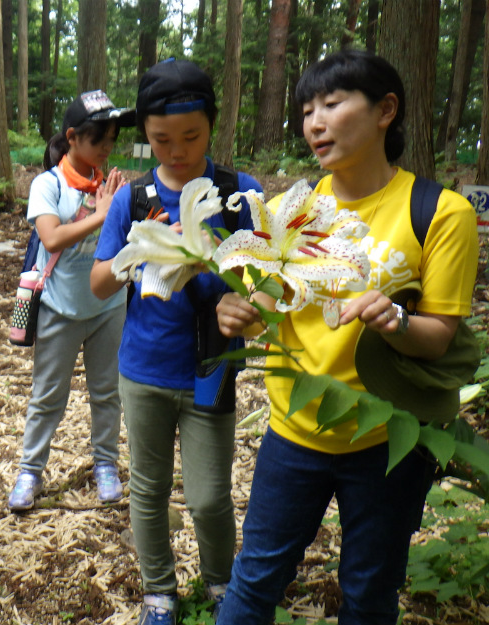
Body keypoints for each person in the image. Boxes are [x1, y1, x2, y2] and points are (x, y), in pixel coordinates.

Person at [214, 50, 478, 624]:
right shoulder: (297, 207)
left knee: (369, 593)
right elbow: (265, 304)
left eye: (332, 104)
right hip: (293, 434)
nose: (314, 122)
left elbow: (438, 339)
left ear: (386, 109)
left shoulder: (440, 212)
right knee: (254, 583)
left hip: (387, 443)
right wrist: (236, 310)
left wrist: (395, 321)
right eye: (307, 109)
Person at [90, 59, 263, 624]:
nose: (177, 152)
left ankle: (221, 585)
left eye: (191, 136)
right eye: (162, 139)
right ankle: (158, 592)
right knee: (149, 488)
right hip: (144, 370)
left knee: (210, 496)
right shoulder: (133, 199)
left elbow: (268, 285)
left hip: (212, 368)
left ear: (213, 125)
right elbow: (98, 281)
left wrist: (248, 304)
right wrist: (145, 256)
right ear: (145, 133)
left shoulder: (240, 194)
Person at [7, 90, 132, 511]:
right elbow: (52, 236)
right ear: (73, 137)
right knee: (47, 395)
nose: (106, 148)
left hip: (108, 307)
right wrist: (103, 213)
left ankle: (106, 466)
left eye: (112, 140)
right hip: (59, 308)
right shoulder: (48, 185)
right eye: (99, 140)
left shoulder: (110, 184)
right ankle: (30, 471)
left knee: (105, 391)